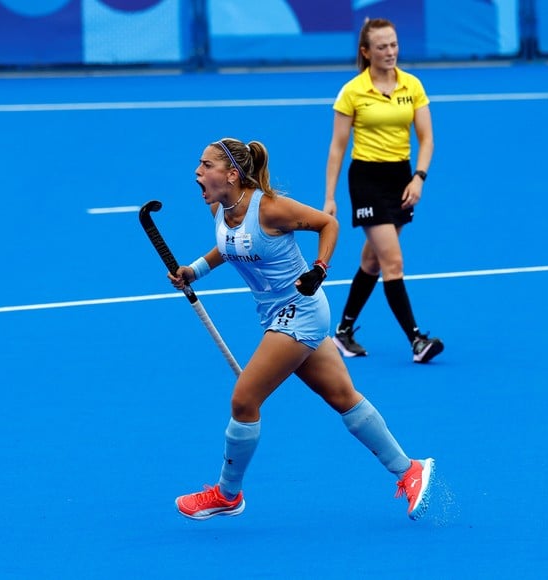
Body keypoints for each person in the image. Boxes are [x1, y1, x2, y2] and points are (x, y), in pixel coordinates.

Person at [167, 137, 435, 521]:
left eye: (205, 165)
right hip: (278, 316)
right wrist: (194, 271)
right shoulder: (223, 211)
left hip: (300, 312)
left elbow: (328, 223)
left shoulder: (270, 208)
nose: (198, 171)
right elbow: (228, 248)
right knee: (344, 397)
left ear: (231, 174)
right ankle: (409, 469)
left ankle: (227, 494)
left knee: (244, 400)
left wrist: (319, 268)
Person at [323, 17, 444, 363]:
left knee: (372, 260)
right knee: (393, 261)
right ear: (366, 51)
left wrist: (418, 177)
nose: (390, 52)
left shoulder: (412, 86)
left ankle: (343, 333)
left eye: (393, 45)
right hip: (367, 180)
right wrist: (330, 197)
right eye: (381, 47)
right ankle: (417, 340)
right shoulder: (352, 91)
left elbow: (426, 138)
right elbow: (337, 148)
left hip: (401, 178)